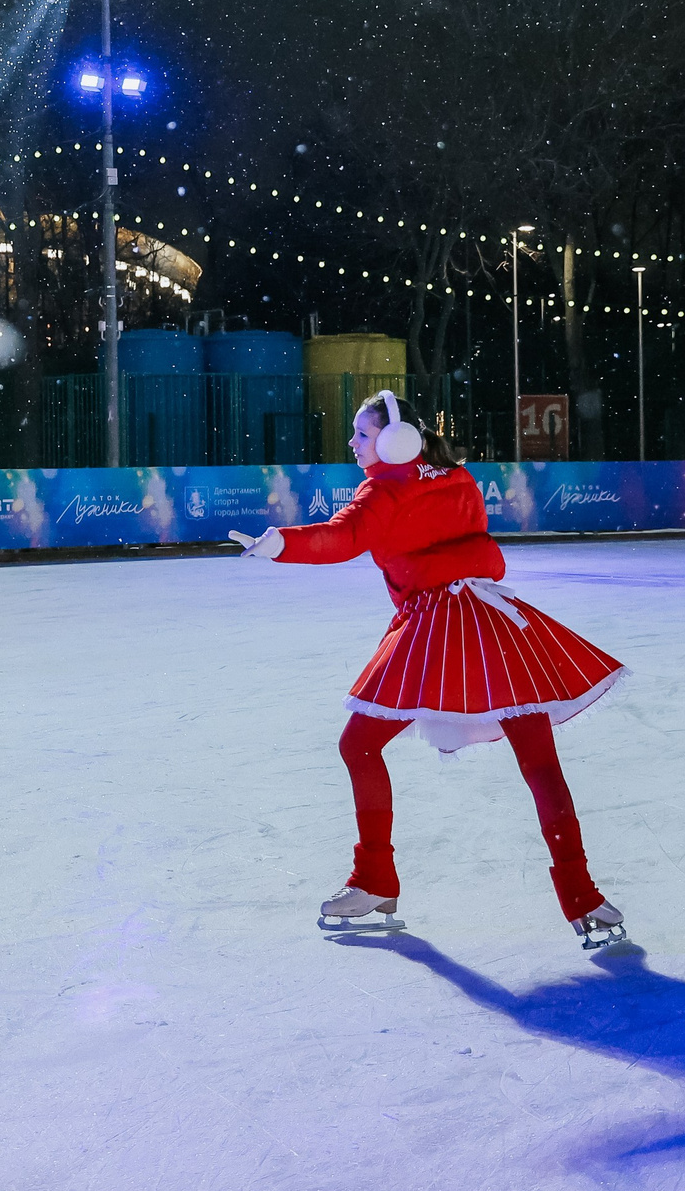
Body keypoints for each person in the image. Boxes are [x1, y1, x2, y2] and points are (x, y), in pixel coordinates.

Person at [230, 390, 630, 949]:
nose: (352, 443)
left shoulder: (384, 486)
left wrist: (279, 544)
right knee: (538, 762)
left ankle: (374, 882)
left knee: (359, 746)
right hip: (493, 616)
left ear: (394, 441)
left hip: (437, 624)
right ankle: (586, 901)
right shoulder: (455, 476)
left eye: (362, 435)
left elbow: (344, 537)